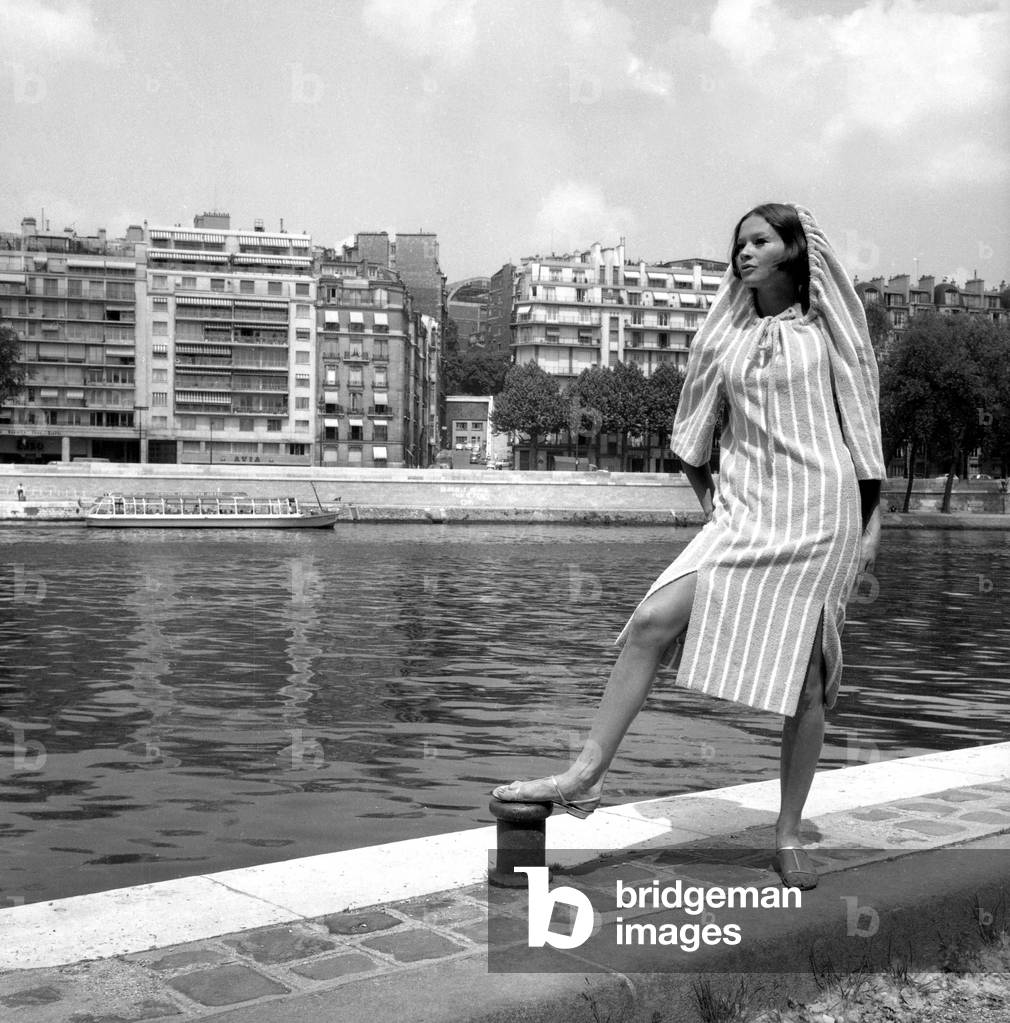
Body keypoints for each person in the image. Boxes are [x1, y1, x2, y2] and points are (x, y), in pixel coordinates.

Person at [492, 203, 884, 890]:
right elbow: (691, 438)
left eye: (759, 241)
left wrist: (874, 521)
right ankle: (585, 775)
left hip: (822, 513)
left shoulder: (827, 329)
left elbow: (861, 422)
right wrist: (716, 506)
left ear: (794, 250)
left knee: (807, 678)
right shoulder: (726, 334)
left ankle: (789, 832)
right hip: (745, 515)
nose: (743, 252)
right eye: (738, 243)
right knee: (652, 619)